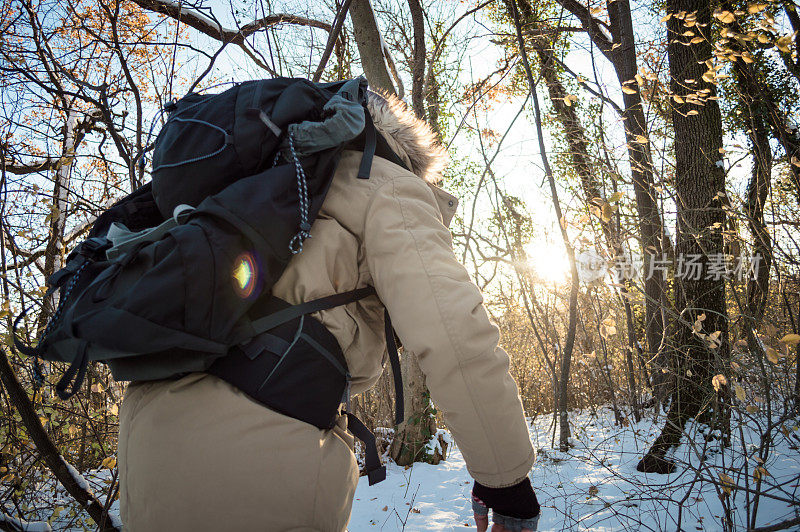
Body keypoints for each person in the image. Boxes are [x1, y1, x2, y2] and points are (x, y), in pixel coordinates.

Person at [118, 90, 540, 531]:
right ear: (403, 144)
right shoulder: (383, 182)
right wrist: (505, 480)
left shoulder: (254, 185)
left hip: (146, 443)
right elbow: (454, 330)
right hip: (259, 454)